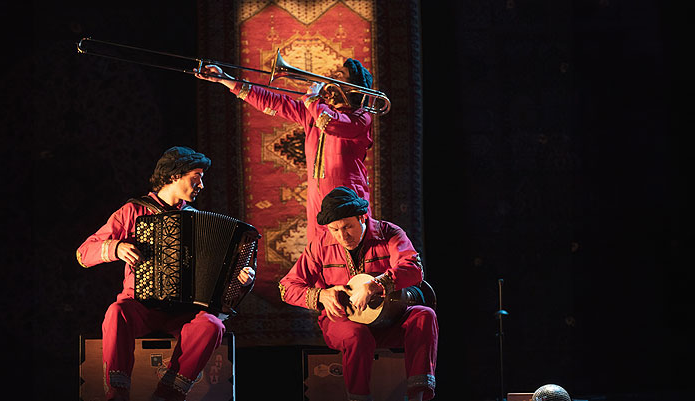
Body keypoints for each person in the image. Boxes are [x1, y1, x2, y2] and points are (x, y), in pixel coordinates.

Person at [76, 146, 256, 401]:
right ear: (174, 176)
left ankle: (168, 394)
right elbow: (84, 253)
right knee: (116, 313)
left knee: (213, 325)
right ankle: (118, 393)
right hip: (141, 306)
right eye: (197, 176)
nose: (202, 185)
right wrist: (115, 247)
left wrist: (239, 277)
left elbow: (218, 275)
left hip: (184, 312)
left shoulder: (195, 220)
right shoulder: (132, 212)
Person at [278, 186, 438, 401]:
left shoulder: (388, 233)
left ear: (362, 217)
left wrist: (375, 285)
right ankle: (359, 398)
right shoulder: (320, 246)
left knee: (424, 315)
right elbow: (286, 287)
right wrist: (321, 295)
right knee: (357, 335)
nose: (342, 236)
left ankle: (418, 396)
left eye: (348, 227)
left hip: (389, 320)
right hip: (343, 323)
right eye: (334, 229)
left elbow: (413, 269)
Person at [195, 57, 374, 242]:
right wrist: (225, 79)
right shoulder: (315, 111)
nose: (329, 76)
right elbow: (274, 103)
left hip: (349, 197)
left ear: (353, 87)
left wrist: (313, 98)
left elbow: (331, 124)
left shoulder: (361, 116)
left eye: (339, 75)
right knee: (321, 255)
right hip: (317, 200)